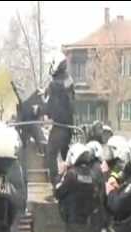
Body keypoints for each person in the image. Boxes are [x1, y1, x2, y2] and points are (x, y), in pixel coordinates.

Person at [45, 52, 75, 190]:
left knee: (50, 153)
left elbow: (51, 108)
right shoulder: (68, 79)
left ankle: (55, 183)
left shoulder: (54, 84)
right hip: (68, 126)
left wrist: (40, 109)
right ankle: (69, 181)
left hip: (59, 125)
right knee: (65, 154)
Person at [86, 140, 106, 232]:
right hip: (98, 210)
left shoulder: (94, 169)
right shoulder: (97, 167)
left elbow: (94, 191)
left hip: (94, 211)